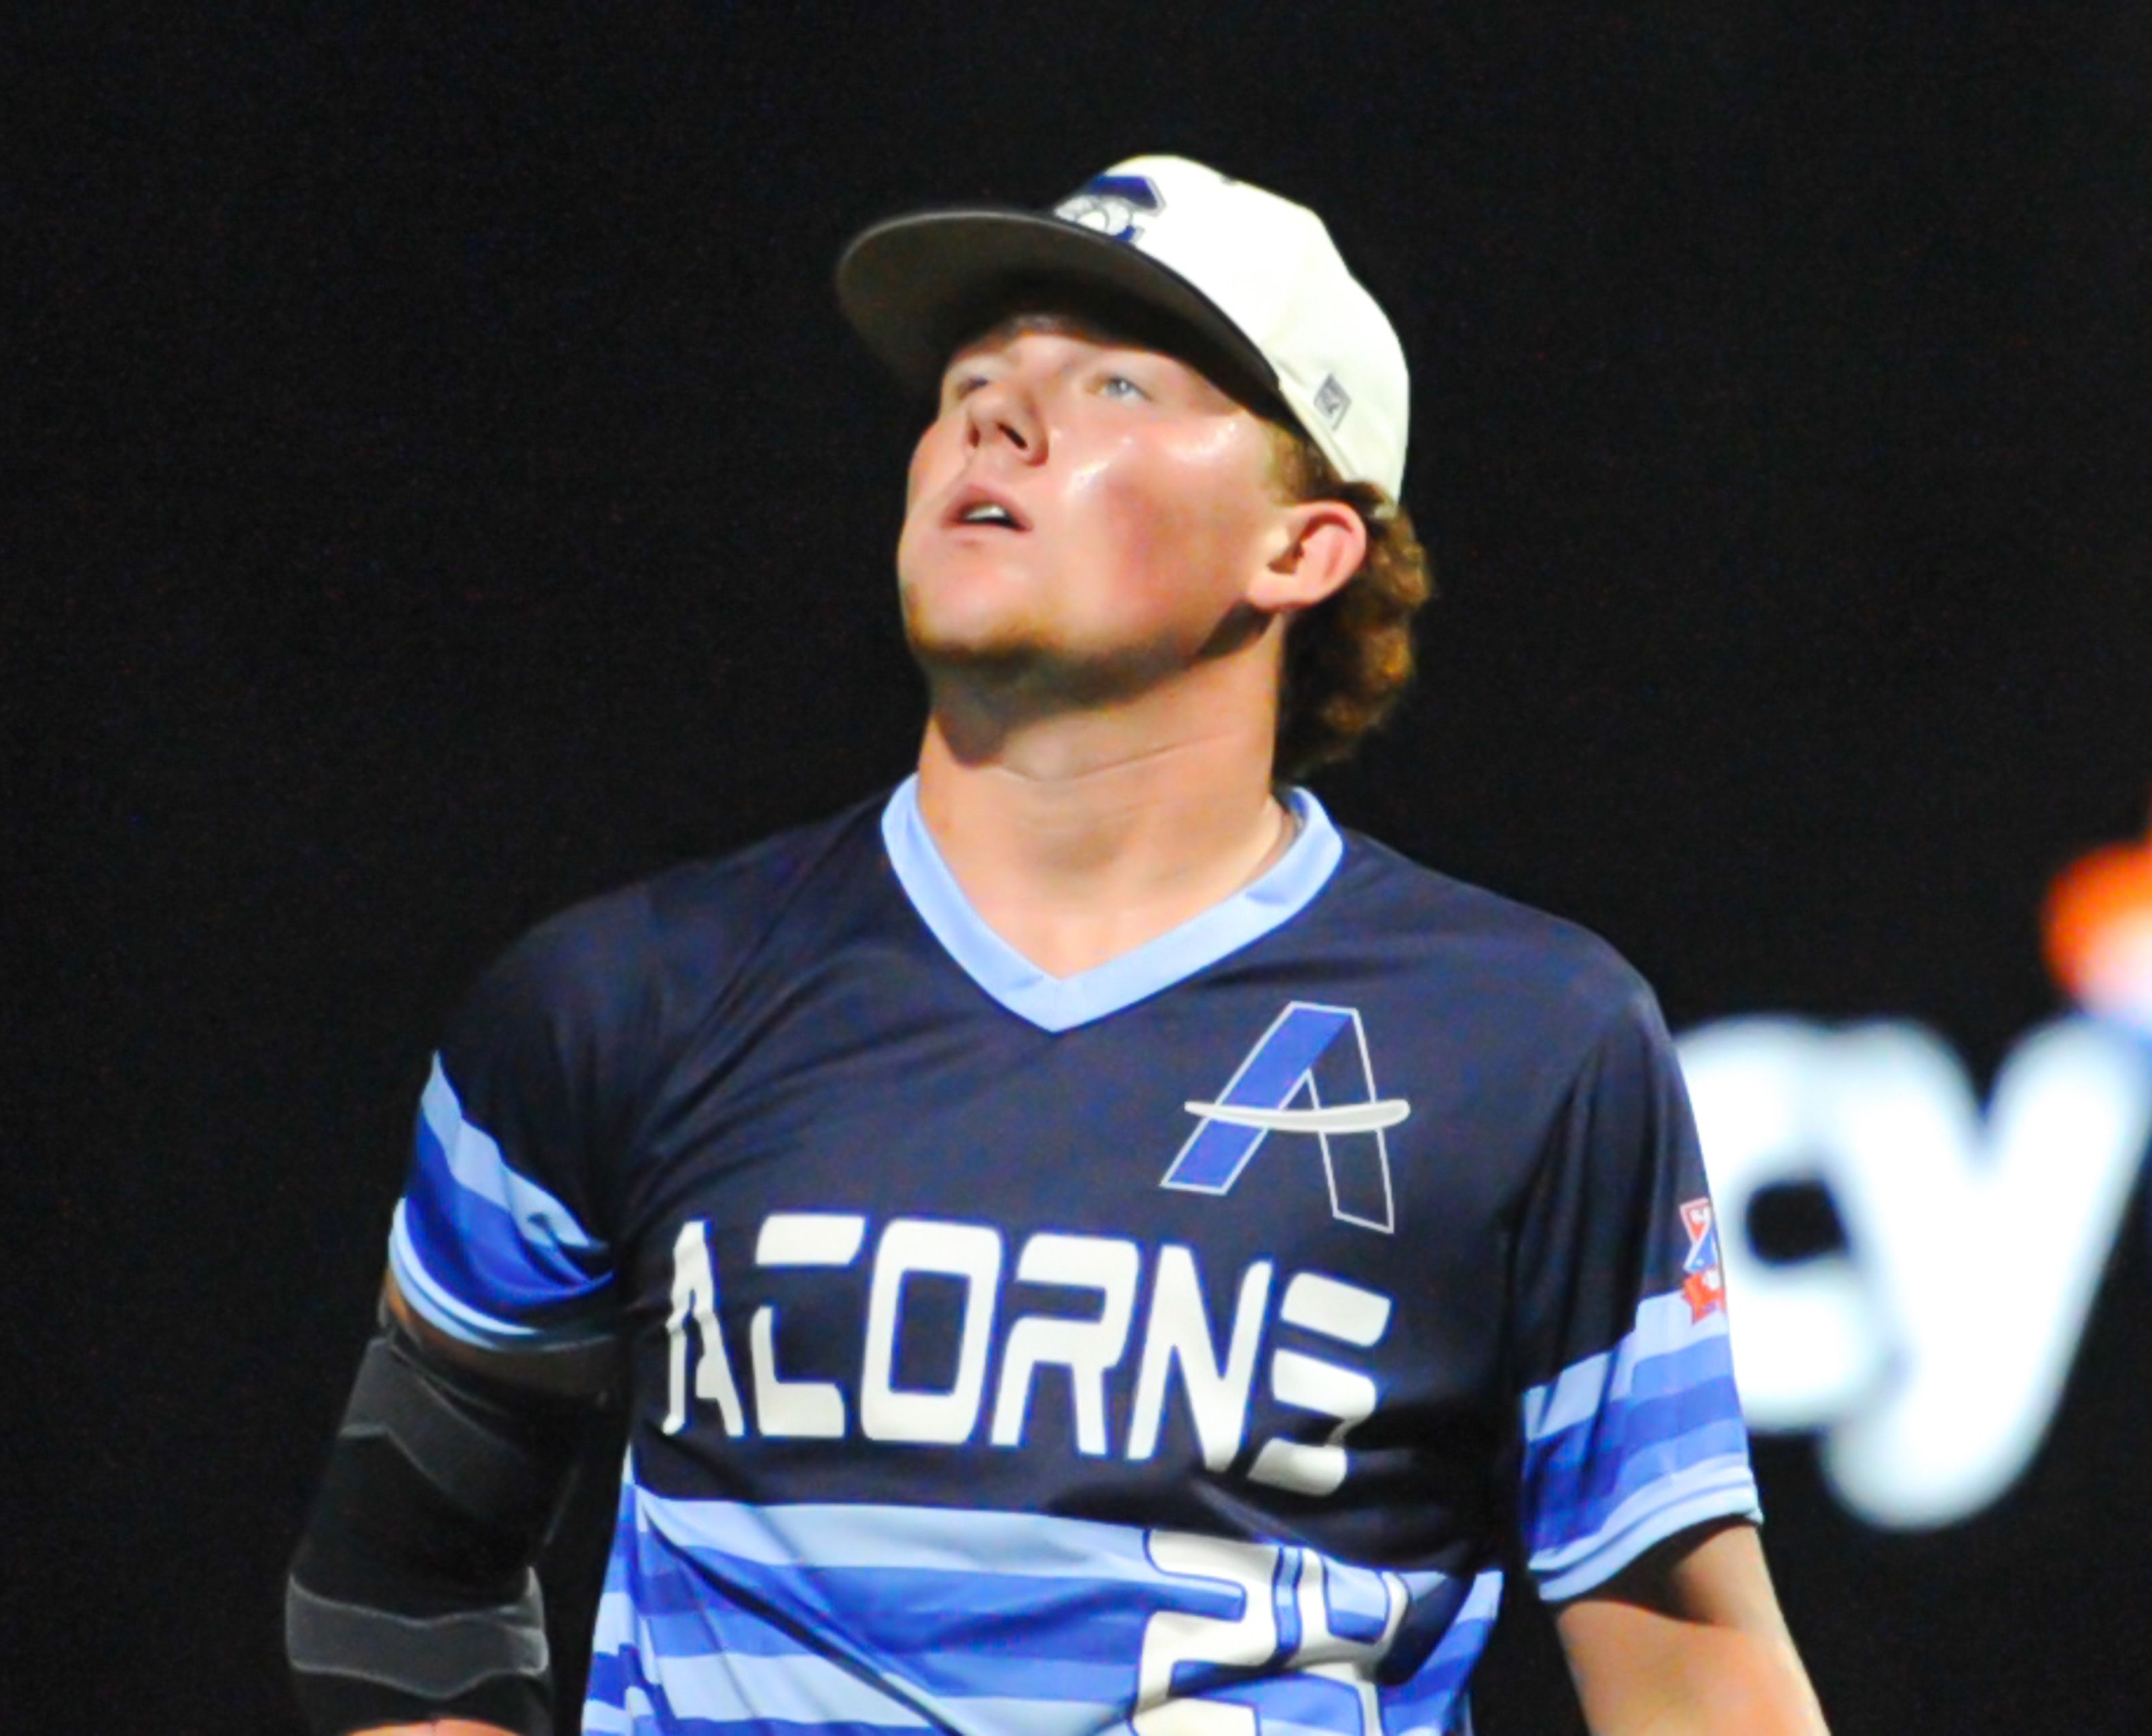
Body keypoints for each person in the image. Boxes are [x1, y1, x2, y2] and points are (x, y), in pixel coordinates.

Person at [286, 155, 1829, 1736]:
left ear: (1303, 550)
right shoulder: (622, 1002)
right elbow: (397, 1593)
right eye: (970, 381)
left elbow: (1691, 1667)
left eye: (1112, 382)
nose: (996, 420)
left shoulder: (1525, 1045)